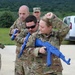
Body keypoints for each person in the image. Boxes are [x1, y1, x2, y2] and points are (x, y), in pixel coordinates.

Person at [9, 5, 29, 75]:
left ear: (28, 13)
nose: (21, 16)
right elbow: (11, 30)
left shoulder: (31, 21)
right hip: (19, 53)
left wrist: (20, 32)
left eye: (24, 14)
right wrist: (14, 31)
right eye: (20, 13)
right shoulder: (18, 21)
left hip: (29, 53)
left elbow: (33, 32)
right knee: (18, 72)